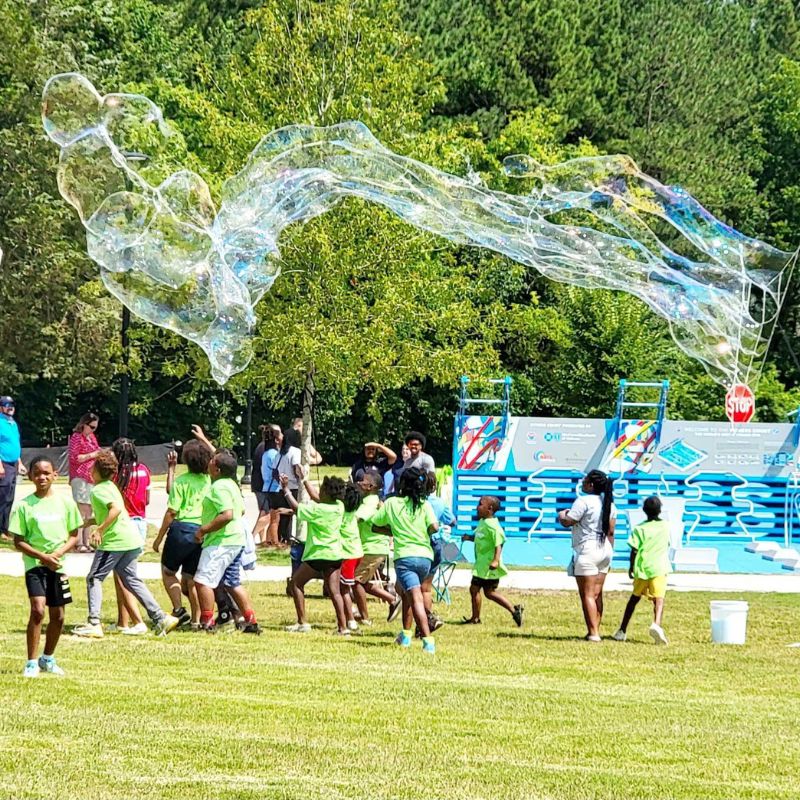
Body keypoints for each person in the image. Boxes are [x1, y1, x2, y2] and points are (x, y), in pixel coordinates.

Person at [72, 449, 180, 638]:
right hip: (131, 540)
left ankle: (94, 623)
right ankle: (161, 617)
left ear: (95, 469)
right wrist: (87, 523)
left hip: (115, 542)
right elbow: (112, 511)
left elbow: (113, 510)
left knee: (94, 578)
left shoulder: (98, 490)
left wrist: (100, 530)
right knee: (131, 579)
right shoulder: (111, 486)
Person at [11, 456, 81, 677]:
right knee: (38, 609)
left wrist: (57, 554)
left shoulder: (66, 503)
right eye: (37, 473)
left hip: (57, 566)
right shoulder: (23, 505)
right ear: (30, 476)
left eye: (46, 473)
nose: (41, 477)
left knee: (58, 615)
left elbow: (74, 535)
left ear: (54, 475)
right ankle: (31, 662)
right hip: (35, 565)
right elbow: (18, 541)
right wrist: (42, 556)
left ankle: (47, 658)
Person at [371, 467, 439, 653]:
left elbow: (375, 526)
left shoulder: (392, 503)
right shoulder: (424, 504)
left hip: (405, 558)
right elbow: (434, 526)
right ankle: (406, 635)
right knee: (406, 593)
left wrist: (394, 531)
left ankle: (428, 641)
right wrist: (422, 533)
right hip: (425, 558)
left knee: (414, 596)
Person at [193, 449, 260, 634]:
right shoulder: (231, 484)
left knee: (202, 581)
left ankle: (206, 622)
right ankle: (250, 620)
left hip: (221, 541)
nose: (209, 462)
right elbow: (241, 511)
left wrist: (203, 530)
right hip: (236, 539)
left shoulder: (219, 487)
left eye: (213, 461)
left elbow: (227, 514)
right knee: (232, 582)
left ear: (217, 469)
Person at [152, 439, 212, 628]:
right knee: (191, 578)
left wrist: (159, 537)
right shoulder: (210, 481)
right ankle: (196, 620)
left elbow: (172, 511)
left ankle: (178, 609)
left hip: (181, 530)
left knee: (168, 571)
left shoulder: (182, 481)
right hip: (202, 531)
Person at [279, 472, 348, 634]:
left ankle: (302, 622)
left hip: (318, 554)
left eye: (321, 489)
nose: (319, 491)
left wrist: (286, 490)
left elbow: (296, 508)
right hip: (335, 554)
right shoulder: (339, 506)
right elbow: (317, 497)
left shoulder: (316, 509)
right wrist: (303, 479)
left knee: (296, 583)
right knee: (335, 591)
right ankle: (343, 627)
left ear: (325, 493)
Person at [557, 469, 616, 642]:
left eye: (585, 480)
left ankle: (593, 633)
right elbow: (611, 531)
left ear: (591, 485)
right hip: (605, 548)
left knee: (587, 594)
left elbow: (569, 521)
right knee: (598, 594)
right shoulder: (610, 504)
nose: (582, 483)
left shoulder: (583, 501)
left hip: (587, 549)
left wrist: (562, 514)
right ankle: (595, 628)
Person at [613, 496, 670, 645]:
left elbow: (634, 550)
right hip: (659, 568)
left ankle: (622, 630)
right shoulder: (665, 526)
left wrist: (631, 566)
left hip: (643, 567)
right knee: (659, 599)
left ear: (644, 511)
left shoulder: (639, 529)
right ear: (660, 510)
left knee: (634, 599)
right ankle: (656, 624)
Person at [461, 496, 523, 627]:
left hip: (488, 566)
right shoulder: (483, 522)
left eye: (480, 504)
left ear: (489, 509)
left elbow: (499, 544)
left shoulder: (494, 526)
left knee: (480, 590)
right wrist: (468, 537)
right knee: (484, 592)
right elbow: (479, 537)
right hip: (481, 565)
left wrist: (496, 560)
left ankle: (511, 611)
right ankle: (512, 610)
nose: (477, 507)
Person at [111, 437, 152, 632]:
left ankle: (136, 621)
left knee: (123, 577)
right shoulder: (144, 470)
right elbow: (148, 499)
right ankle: (122, 621)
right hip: (140, 523)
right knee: (124, 574)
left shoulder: (116, 475)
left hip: (124, 524)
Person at [352, 472, 400, 624]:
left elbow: (356, 519)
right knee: (364, 582)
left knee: (355, 581)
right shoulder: (368, 499)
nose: (359, 482)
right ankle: (392, 600)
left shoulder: (370, 502)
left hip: (373, 548)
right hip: (372, 547)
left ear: (371, 487)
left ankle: (364, 617)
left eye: (362, 481)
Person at [262, 425, 301, 546]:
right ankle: (287, 539)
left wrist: (280, 481)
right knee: (291, 512)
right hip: (294, 486)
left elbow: (274, 471)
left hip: (282, 487)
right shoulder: (296, 451)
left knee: (283, 517)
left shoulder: (280, 453)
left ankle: (282, 538)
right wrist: (298, 479)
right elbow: (296, 467)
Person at [68, 412, 100, 553]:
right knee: (81, 510)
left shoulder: (91, 438)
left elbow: (98, 450)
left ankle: (87, 541)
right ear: (84, 424)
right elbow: (75, 458)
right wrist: (92, 455)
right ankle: (78, 541)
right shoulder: (76, 438)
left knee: (89, 511)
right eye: (91, 427)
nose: (93, 430)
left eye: (95, 428)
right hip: (80, 476)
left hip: (91, 477)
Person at [338, 481, 365, 631]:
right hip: (357, 552)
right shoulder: (353, 510)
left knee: (344, 590)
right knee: (347, 587)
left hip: (347, 555)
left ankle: (350, 619)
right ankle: (351, 615)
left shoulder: (340, 511)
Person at [0, 395, 26, 541]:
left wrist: (20, 463)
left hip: (12, 464)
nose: (10, 408)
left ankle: (5, 528)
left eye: (12, 405)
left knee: (10, 497)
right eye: (7, 405)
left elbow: (15, 444)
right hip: (3, 463)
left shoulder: (13, 423)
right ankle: (0, 530)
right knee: (2, 498)